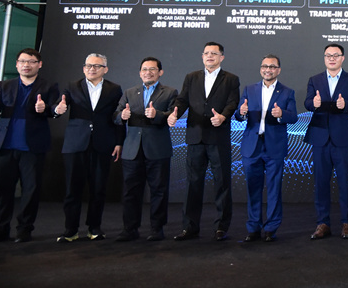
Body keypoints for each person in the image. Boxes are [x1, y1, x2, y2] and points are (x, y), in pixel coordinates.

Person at [0, 48, 59, 243]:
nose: (26, 65)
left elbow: (53, 110)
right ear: (17, 65)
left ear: (39, 65)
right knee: (2, 190)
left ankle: (24, 229)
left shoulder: (49, 86)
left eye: (31, 61)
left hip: (32, 148)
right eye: (22, 61)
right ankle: (0, 229)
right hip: (5, 146)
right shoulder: (5, 85)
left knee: (30, 191)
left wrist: (45, 108)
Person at [167, 42, 240, 241]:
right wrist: (174, 114)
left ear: (221, 57)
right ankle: (189, 227)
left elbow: (233, 102)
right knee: (193, 184)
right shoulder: (192, 77)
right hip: (195, 136)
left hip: (218, 137)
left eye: (214, 53)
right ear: (202, 56)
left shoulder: (231, 79)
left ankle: (221, 227)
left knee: (222, 183)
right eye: (206, 53)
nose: (209, 56)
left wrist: (223, 117)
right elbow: (182, 100)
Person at [54, 53, 125, 242]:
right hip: (76, 143)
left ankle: (94, 228)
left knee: (99, 188)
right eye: (88, 65)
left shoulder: (114, 89)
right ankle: (70, 230)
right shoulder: (72, 86)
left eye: (96, 66)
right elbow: (59, 105)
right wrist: (57, 110)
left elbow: (117, 117)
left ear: (105, 69)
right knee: (72, 189)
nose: (91, 69)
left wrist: (119, 142)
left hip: (102, 143)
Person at [234, 54, 298, 242]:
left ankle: (271, 228)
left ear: (278, 70)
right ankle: (253, 227)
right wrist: (241, 112)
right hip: (252, 146)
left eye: (272, 67)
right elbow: (239, 115)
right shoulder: (249, 89)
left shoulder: (287, 92)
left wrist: (281, 114)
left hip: (274, 146)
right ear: (261, 69)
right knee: (252, 189)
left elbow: (293, 117)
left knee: (274, 189)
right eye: (265, 66)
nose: (267, 70)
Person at [114, 57, 178, 241]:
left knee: (159, 190)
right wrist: (122, 116)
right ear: (140, 72)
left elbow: (173, 114)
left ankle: (157, 229)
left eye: (152, 69)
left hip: (158, 148)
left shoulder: (170, 92)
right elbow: (115, 115)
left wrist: (157, 115)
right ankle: (130, 229)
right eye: (144, 69)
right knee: (131, 191)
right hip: (132, 149)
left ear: (160, 72)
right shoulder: (129, 92)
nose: (147, 72)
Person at [304, 43, 348, 240]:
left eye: (336, 55)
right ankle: (323, 223)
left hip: (342, 137)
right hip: (320, 136)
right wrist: (314, 104)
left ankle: (347, 223)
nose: (332, 58)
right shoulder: (315, 79)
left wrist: (346, 105)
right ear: (324, 58)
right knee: (321, 183)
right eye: (328, 55)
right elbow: (307, 102)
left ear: (342, 58)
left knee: (345, 182)